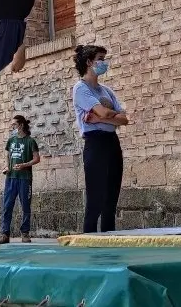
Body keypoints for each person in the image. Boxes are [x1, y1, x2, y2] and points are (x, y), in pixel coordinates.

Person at [72, 45, 129, 233]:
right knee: (96, 198)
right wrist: (109, 116)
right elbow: (107, 111)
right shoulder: (81, 88)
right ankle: (89, 240)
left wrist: (101, 118)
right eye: (100, 58)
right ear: (89, 62)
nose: (104, 63)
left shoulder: (106, 90)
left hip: (112, 142)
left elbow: (124, 119)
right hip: (95, 142)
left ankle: (108, 241)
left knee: (110, 200)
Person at [0, 115, 40, 244]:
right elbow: (9, 157)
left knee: (25, 206)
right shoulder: (11, 141)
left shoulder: (30, 141)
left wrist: (24, 165)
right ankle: (5, 234)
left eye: (14, 124)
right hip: (11, 178)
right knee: (7, 206)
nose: (12, 127)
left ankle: (25, 233)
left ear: (21, 125)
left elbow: (37, 159)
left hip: (25, 178)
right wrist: (7, 167)